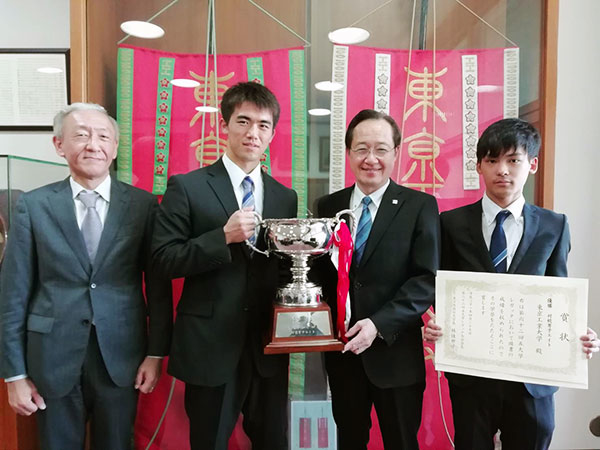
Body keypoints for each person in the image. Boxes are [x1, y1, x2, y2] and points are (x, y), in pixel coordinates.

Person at [0, 103, 173, 449]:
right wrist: (14, 375)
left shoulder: (142, 206)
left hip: (121, 356)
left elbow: (157, 288)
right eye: (81, 135)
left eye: (103, 136)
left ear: (114, 148)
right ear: (59, 145)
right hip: (51, 357)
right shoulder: (33, 206)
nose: (93, 144)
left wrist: (156, 354)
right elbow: (12, 294)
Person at [424, 117, 600, 450]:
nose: (502, 170)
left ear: (532, 164)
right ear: (479, 166)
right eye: (492, 160)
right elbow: (440, 289)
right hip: (472, 376)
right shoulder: (451, 223)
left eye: (513, 160)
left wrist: (579, 334)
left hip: (533, 379)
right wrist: (435, 321)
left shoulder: (555, 225)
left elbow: (559, 293)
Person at [152, 81, 298, 450]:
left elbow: (285, 269)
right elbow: (163, 260)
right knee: (209, 441)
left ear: (272, 133)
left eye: (263, 125)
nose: (253, 133)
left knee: (273, 441)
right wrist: (222, 237)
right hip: (210, 345)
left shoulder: (285, 196)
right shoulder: (188, 187)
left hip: (267, 344)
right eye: (243, 121)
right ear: (224, 125)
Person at [312, 109, 440, 449]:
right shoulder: (327, 205)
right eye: (362, 148)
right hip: (344, 356)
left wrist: (377, 324)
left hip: (395, 355)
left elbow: (425, 280)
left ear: (396, 153)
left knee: (401, 441)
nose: (371, 159)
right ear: (349, 152)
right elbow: (319, 276)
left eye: (381, 149)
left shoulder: (419, 206)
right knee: (349, 441)